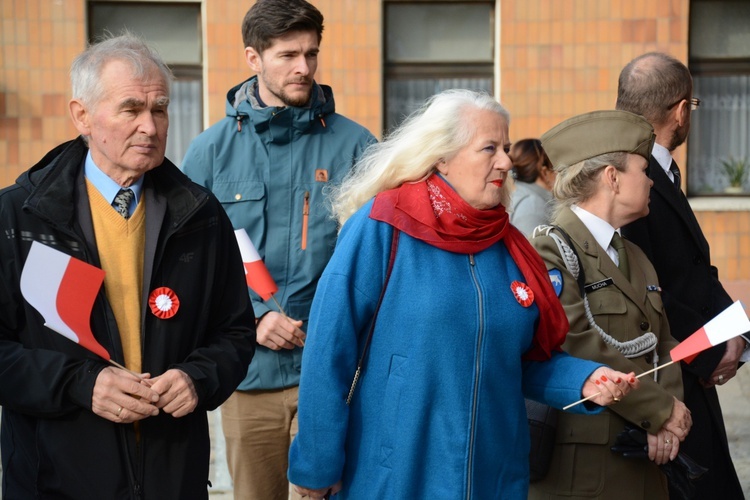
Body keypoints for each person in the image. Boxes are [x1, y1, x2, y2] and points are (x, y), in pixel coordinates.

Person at [286, 89, 639, 499]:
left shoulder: (510, 246)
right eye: (489, 148)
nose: (506, 162)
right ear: (442, 156)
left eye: (506, 148)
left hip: (495, 479)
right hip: (397, 477)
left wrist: (584, 379)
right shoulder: (382, 224)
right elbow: (329, 351)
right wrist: (316, 466)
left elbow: (521, 362)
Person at [0, 33, 256, 499]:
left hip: (171, 476)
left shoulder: (201, 215)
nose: (151, 126)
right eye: (131, 109)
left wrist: (197, 378)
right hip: (56, 480)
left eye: (160, 109)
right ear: (81, 116)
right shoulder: (16, 218)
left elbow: (236, 333)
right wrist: (80, 384)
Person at [180, 1, 375, 498]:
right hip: (248, 378)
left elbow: (378, 259)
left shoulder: (358, 147)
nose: (304, 68)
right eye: (288, 54)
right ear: (253, 58)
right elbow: (191, 262)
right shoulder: (209, 152)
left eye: (312, 53)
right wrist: (253, 318)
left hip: (333, 375)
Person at [528, 110, 692, 499]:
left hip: (647, 463)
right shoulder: (550, 248)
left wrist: (668, 416)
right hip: (588, 469)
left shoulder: (633, 253)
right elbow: (578, 342)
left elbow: (663, 342)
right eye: (643, 168)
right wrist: (659, 412)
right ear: (612, 178)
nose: (652, 180)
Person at [617, 52, 748, 499]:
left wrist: (738, 334)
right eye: (691, 107)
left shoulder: (657, 167)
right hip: (666, 379)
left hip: (691, 370)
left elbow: (694, 269)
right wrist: (710, 351)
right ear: (679, 109)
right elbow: (640, 289)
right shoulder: (628, 175)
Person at [509, 138, 556, 235]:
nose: (558, 172)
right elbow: (534, 249)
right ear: (544, 171)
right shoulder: (532, 206)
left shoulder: (525, 196)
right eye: (554, 166)